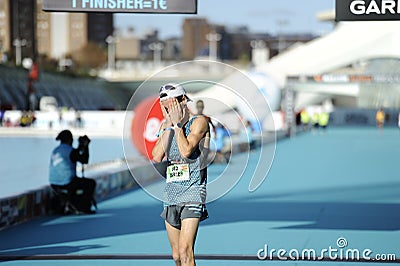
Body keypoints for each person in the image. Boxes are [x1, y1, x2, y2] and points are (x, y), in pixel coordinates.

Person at [152, 83, 210, 266]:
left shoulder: (199, 122)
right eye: (166, 107)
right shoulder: (168, 124)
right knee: (177, 256)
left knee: (186, 253)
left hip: (193, 193)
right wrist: (168, 126)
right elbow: (157, 155)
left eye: (172, 105)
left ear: (183, 100)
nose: (169, 110)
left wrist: (177, 126)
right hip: (171, 195)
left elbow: (186, 151)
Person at [49, 129, 96, 214]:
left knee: (77, 181)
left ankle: (70, 204)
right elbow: (84, 160)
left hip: (53, 183)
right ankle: (84, 208)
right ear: (70, 139)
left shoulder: (55, 150)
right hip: (67, 182)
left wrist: (81, 147)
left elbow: (76, 155)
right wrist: (86, 146)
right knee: (90, 183)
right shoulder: (70, 150)